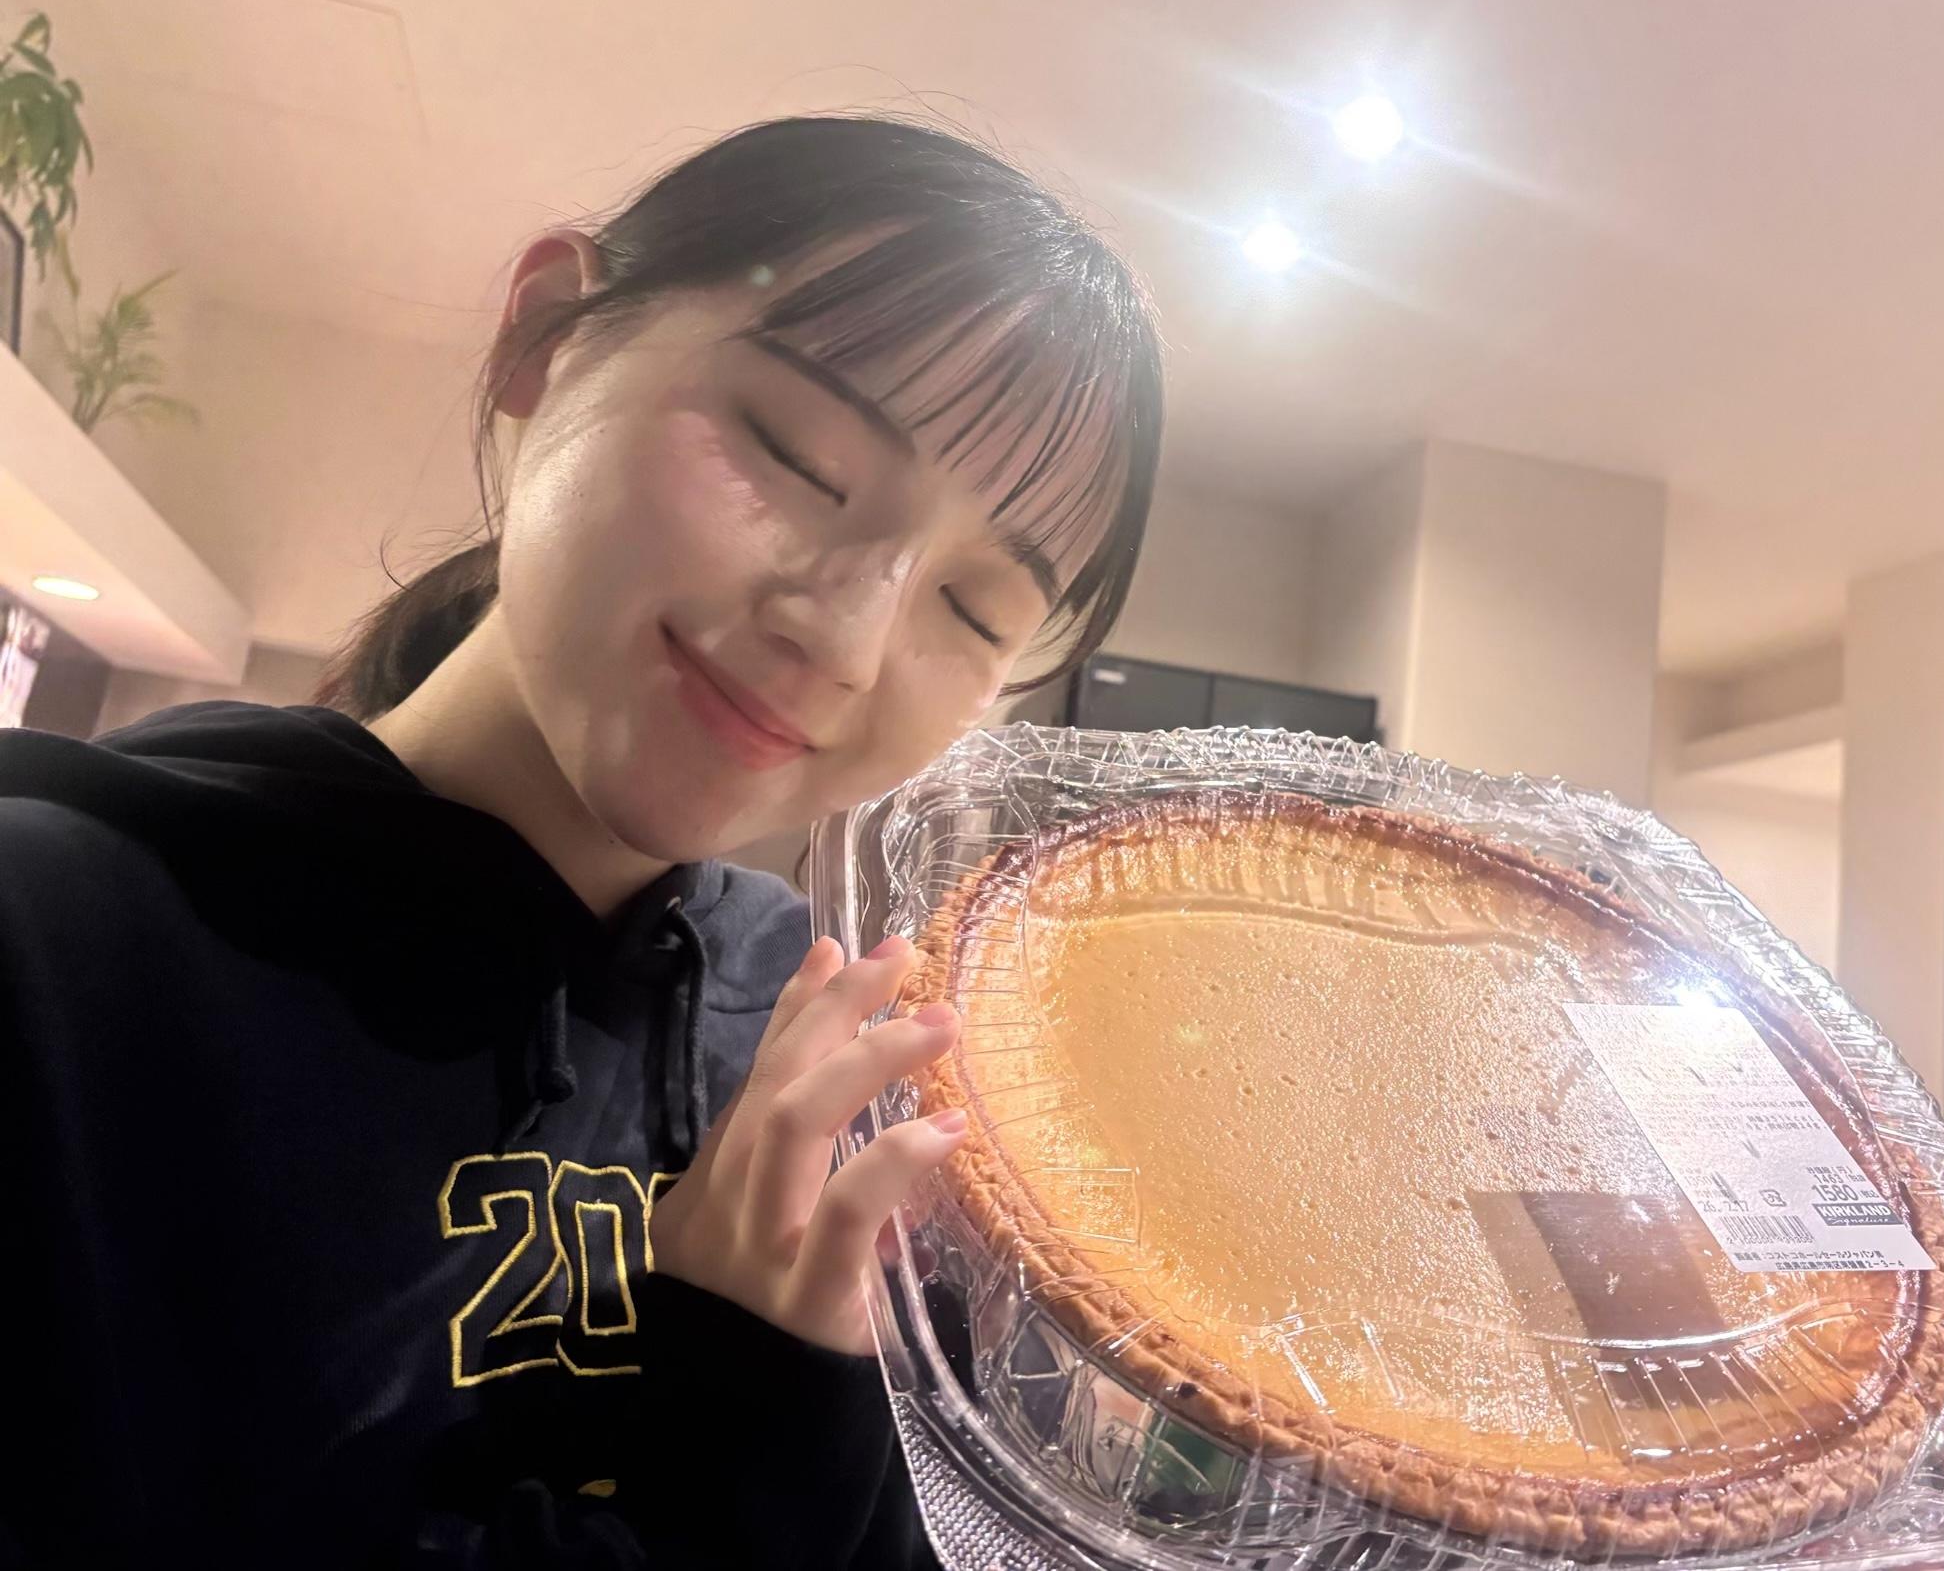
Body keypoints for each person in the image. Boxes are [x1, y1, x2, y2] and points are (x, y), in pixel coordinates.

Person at [0, 116, 1166, 1567]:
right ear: (546, 336)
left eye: (976, 610)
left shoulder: (815, 1043)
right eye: (797, 454)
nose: (849, 640)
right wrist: (744, 1430)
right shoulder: (65, 945)